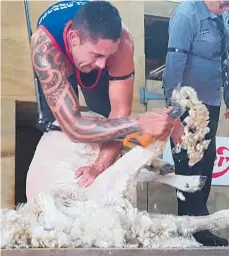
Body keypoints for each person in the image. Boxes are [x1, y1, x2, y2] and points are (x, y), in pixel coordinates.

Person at [26, 0, 176, 200]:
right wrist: (140, 123)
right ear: (73, 38)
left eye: (108, 55)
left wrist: (99, 166)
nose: (102, 63)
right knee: (56, 124)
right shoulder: (44, 49)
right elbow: (74, 128)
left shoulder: (122, 44)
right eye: (97, 54)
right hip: (60, 58)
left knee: (108, 121)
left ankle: (130, 156)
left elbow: (119, 114)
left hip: (85, 57)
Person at [162, 0, 229, 246]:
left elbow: (225, 60)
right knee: (190, 169)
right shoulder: (187, 14)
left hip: (210, 102)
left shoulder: (222, 16)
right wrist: (174, 115)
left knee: (206, 166)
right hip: (187, 104)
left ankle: (194, 230)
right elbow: (173, 67)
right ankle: (196, 230)